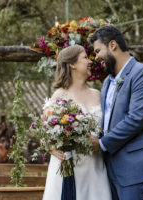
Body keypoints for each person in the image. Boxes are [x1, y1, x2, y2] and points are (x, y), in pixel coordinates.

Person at [88, 25, 143, 200]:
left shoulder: (142, 74)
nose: (96, 57)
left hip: (136, 169)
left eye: (98, 51)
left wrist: (101, 144)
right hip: (109, 169)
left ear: (112, 45)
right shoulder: (107, 83)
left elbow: (136, 119)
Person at [42, 44, 111, 200]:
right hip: (67, 170)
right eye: (85, 58)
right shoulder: (59, 95)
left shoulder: (97, 94)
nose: (90, 61)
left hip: (95, 168)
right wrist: (52, 148)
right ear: (72, 64)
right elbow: (43, 134)